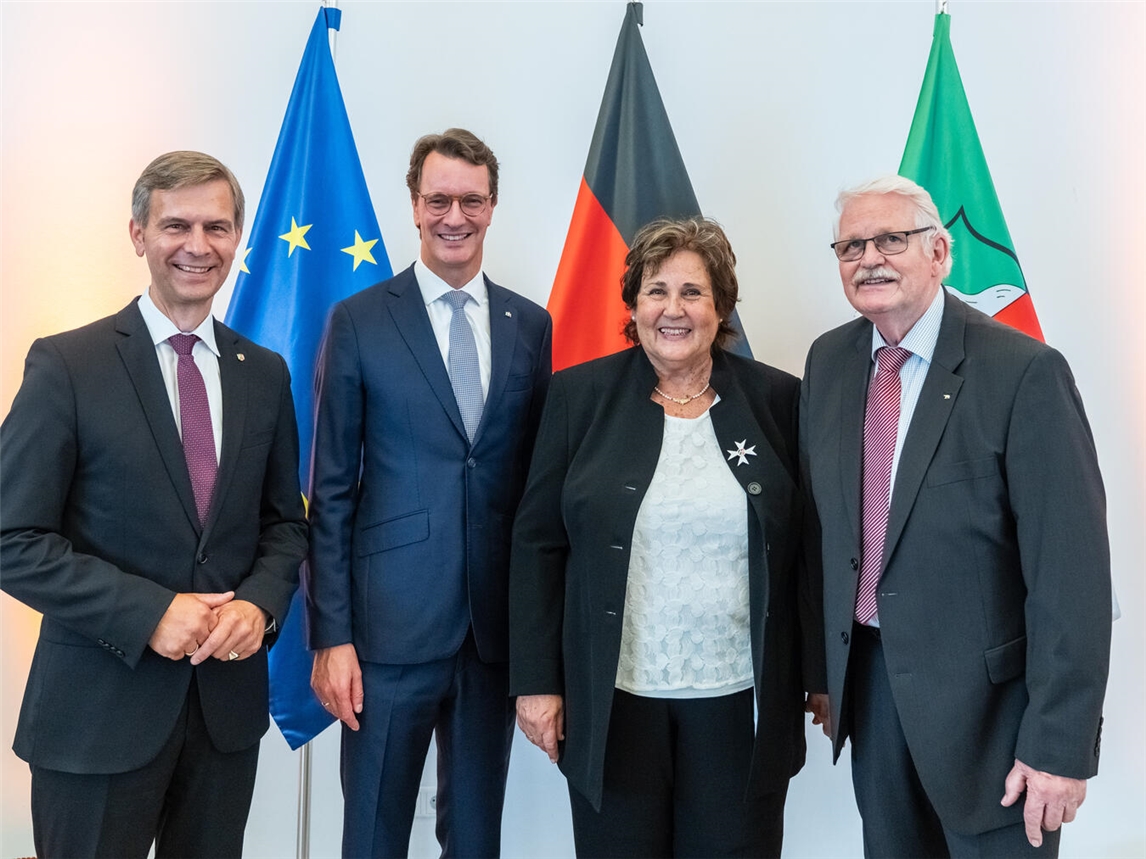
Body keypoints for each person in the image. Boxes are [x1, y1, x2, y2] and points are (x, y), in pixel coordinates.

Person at [0, 150, 308, 857]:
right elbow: (12, 536)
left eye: (217, 227)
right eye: (177, 225)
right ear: (138, 233)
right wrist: (149, 614)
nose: (198, 246)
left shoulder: (263, 374)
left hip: (224, 717)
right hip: (95, 718)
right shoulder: (67, 366)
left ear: (237, 239)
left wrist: (258, 606)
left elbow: (284, 523)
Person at [800, 175, 1110, 858]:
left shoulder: (1023, 371)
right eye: (851, 245)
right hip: (873, 693)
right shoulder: (828, 363)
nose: (869, 257)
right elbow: (826, 533)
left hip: (993, 719)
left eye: (891, 239)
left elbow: (1072, 575)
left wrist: (1059, 744)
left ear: (940, 252)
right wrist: (824, 668)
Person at [510, 217, 815, 858]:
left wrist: (819, 676)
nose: (672, 309)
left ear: (722, 306)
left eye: (693, 292)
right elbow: (537, 545)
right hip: (613, 701)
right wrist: (536, 681)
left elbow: (806, 550)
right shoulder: (576, 398)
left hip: (740, 701)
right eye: (656, 290)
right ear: (632, 304)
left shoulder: (779, 401)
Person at [305, 128, 552, 857]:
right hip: (385, 636)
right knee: (375, 832)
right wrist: (331, 634)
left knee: (476, 838)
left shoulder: (529, 324)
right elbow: (331, 491)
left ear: (492, 206)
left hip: (492, 632)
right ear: (414, 205)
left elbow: (535, 490)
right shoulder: (358, 320)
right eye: (438, 199)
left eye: (471, 200)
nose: (455, 216)